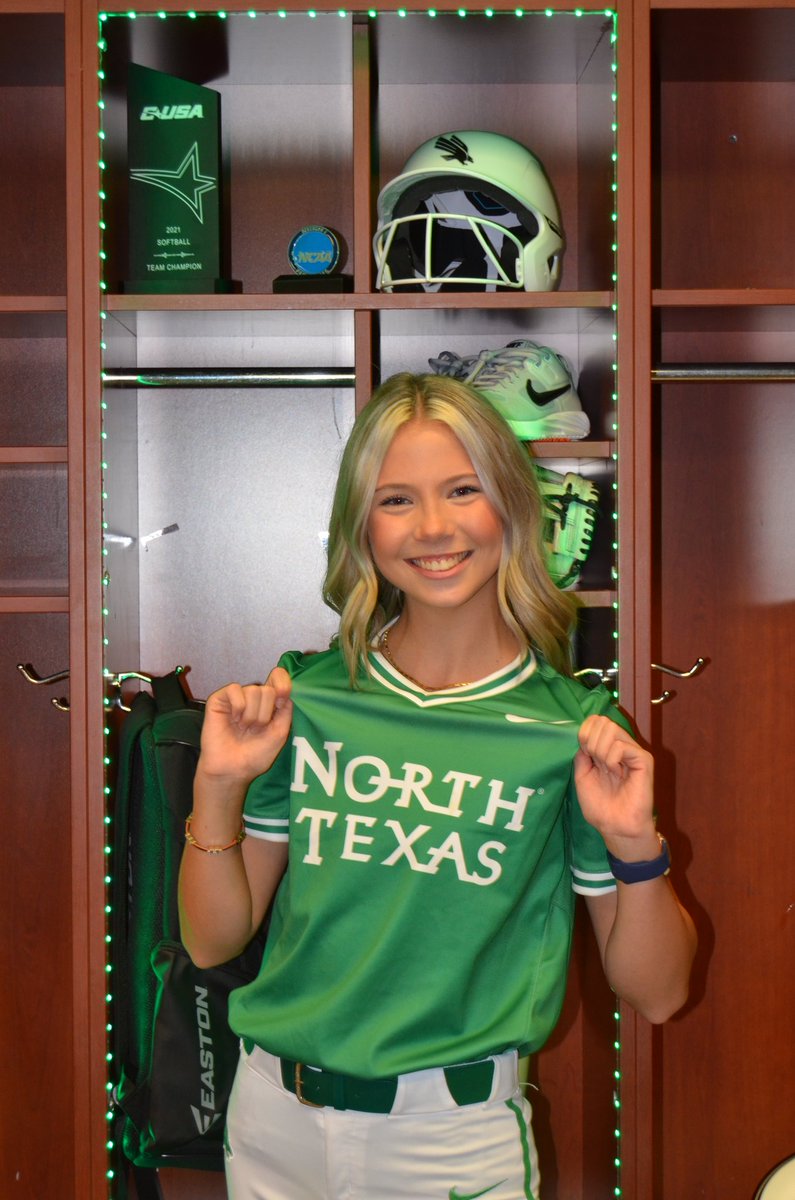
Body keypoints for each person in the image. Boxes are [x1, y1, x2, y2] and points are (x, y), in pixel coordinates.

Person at [178, 372, 696, 1200]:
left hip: (450, 1141)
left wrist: (636, 849)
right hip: (272, 1122)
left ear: (510, 505)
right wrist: (218, 785)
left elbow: (660, 994)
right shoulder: (305, 698)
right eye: (394, 500)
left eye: (462, 490)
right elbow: (212, 941)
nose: (432, 528)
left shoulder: (575, 731)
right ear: (361, 527)